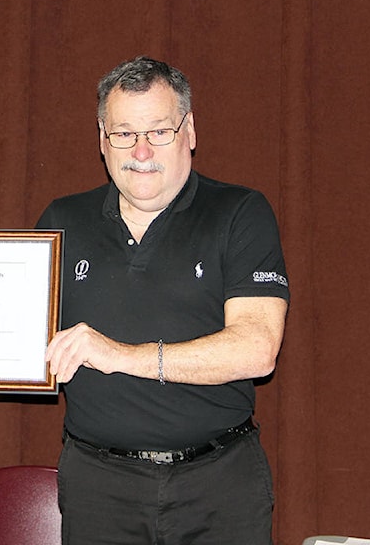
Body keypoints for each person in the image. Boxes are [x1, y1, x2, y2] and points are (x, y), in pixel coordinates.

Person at [40, 56, 290, 544]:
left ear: (189, 130)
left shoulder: (240, 212)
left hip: (219, 485)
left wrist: (120, 356)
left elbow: (257, 349)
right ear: (101, 139)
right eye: (123, 133)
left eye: (158, 132)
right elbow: (24, 342)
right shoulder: (61, 219)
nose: (141, 151)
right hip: (97, 487)